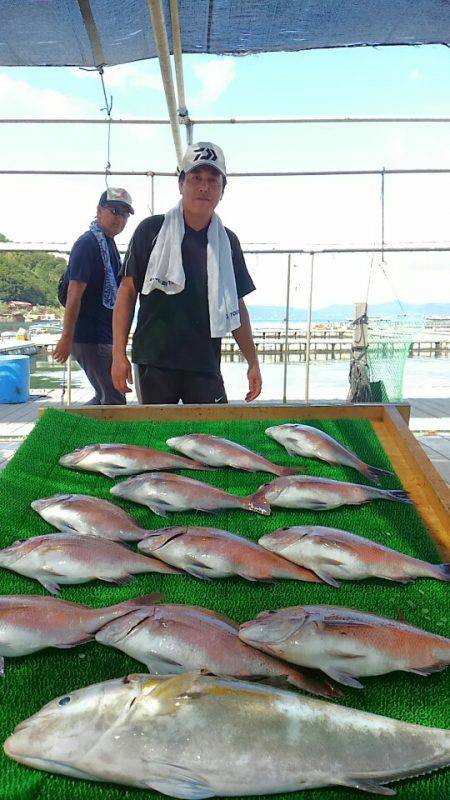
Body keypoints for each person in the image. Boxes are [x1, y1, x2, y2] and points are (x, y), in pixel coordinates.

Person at [111, 142, 262, 404]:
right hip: (154, 362)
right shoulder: (150, 230)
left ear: (222, 190)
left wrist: (253, 362)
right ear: (181, 184)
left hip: (205, 362)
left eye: (213, 180)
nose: (204, 187)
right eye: (195, 178)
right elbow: (126, 292)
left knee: (211, 436)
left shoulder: (228, 242)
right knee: (156, 437)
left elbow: (236, 304)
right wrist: (118, 354)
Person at [54, 187, 134, 405]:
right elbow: (74, 294)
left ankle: (77, 430)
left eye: (125, 214)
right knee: (115, 398)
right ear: (99, 211)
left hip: (103, 334)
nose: (120, 218)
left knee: (103, 396)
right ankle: (103, 438)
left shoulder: (109, 245)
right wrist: (66, 338)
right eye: (114, 211)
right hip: (90, 337)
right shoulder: (87, 244)